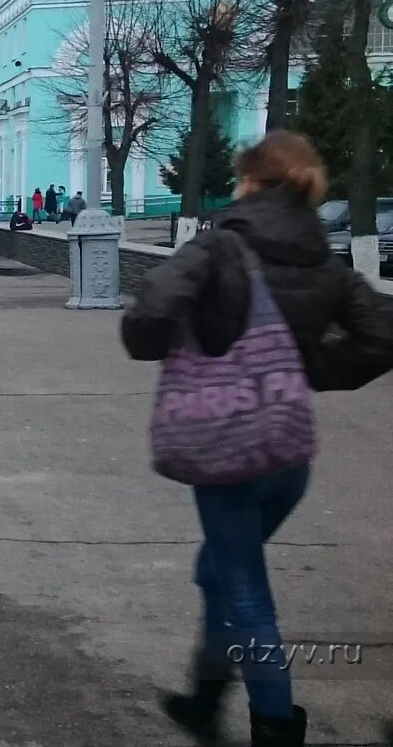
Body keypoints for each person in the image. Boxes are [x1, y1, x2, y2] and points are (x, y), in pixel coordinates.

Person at [120, 132, 393, 747]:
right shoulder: (325, 260)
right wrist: (304, 370)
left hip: (226, 448)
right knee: (219, 569)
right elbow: (382, 336)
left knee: (244, 591)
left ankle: (273, 725)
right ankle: (203, 699)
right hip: (287, 455)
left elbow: (151, 309)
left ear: (250, 182)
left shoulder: (221, 246)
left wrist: (153, 345)